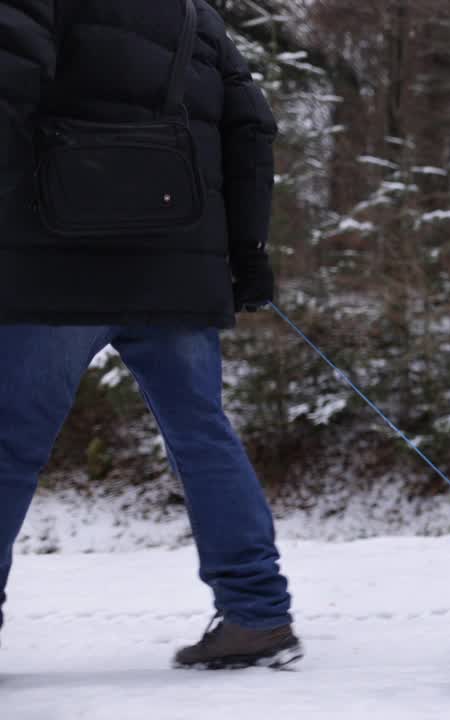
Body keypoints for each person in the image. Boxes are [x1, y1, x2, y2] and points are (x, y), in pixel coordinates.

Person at [0, 0, 299, 669]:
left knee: (6, 448)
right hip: (176, 266)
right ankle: (257, 614)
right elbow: (251, 131)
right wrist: (247, 258)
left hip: (51, 263)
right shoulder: (198, 16)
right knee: (202, 434)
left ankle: (256, 613)